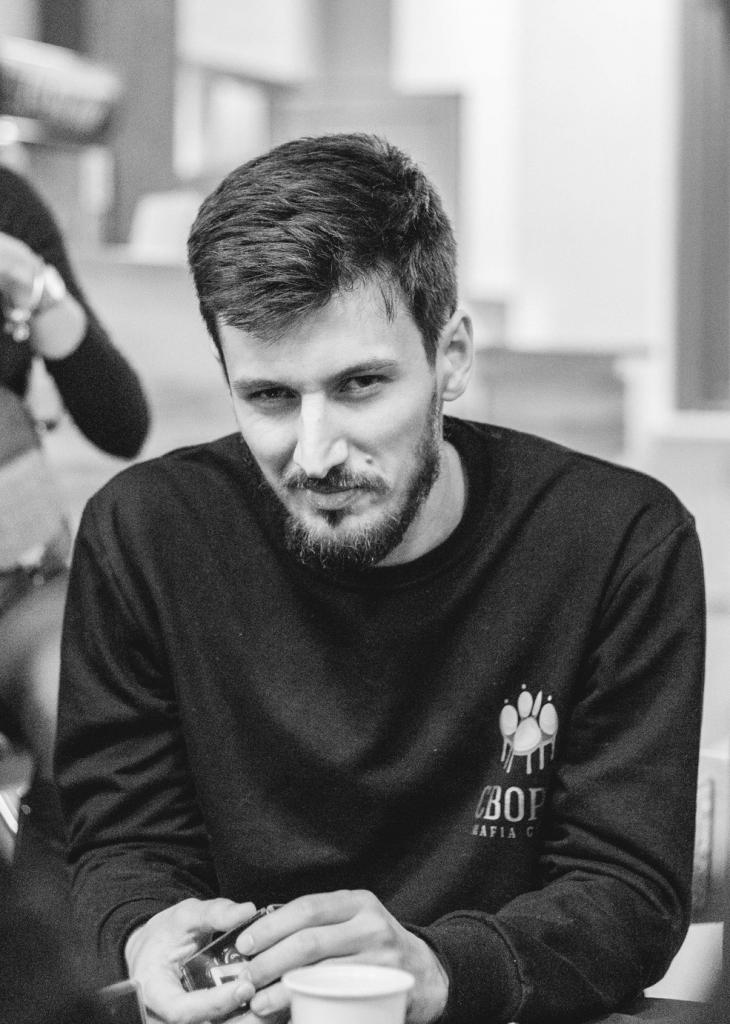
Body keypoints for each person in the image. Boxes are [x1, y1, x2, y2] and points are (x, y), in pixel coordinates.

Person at [55, 133, 705, 1024]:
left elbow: (627, 890)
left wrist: (436, 969)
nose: (316, 453)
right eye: (270, 397)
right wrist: (145, 934)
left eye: (360, 384)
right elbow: (122, 843)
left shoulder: (618, 542)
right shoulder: (145, 535)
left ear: (453, 357)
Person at [0, 163, 149, 899]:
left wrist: (38, 291)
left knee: (87, 711)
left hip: (20, 589)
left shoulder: (8, 204)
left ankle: (68, 947)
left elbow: (121, 425)